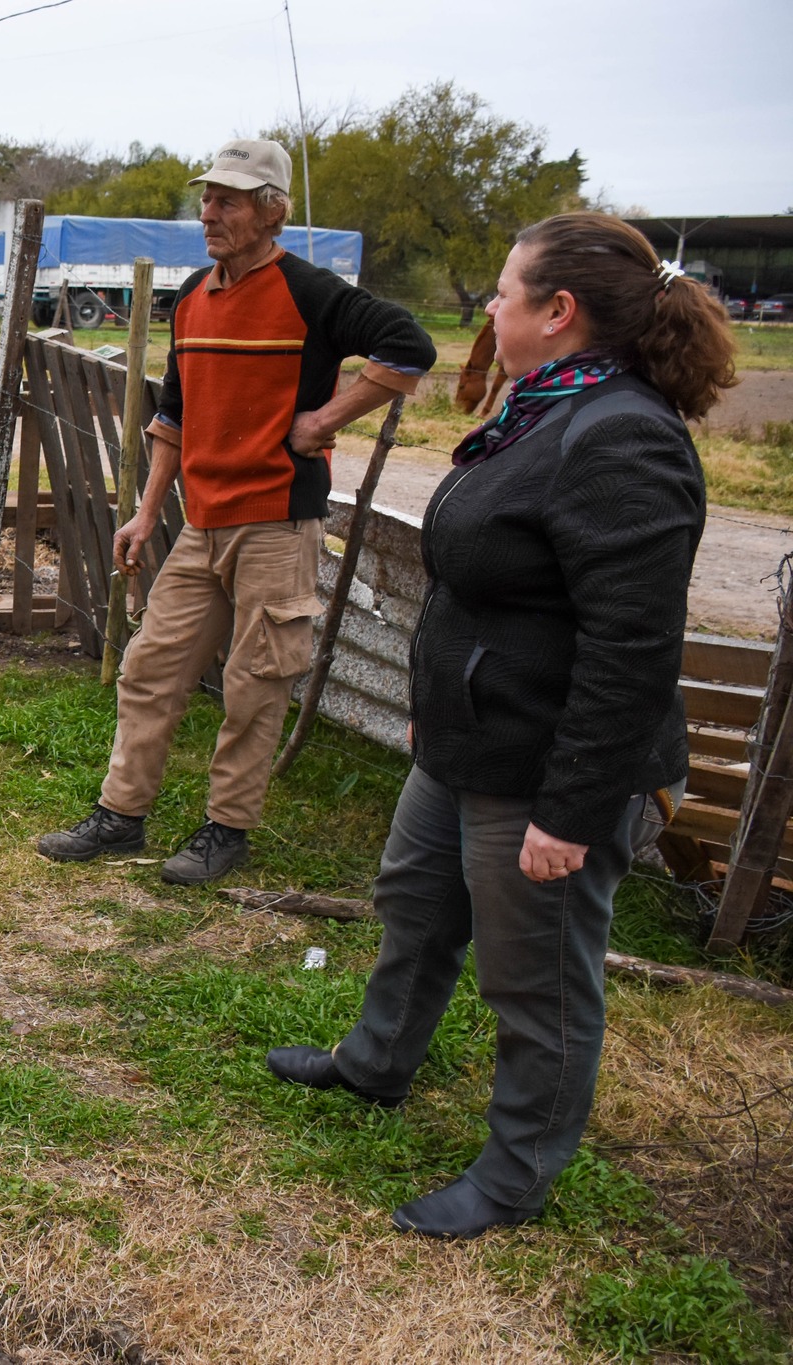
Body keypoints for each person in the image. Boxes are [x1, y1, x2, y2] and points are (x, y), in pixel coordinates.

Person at [266, 212, 734, 1238]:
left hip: (547, 770)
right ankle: (375, 1062)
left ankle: (515, 1174)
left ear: (557, 311)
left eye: (503, 289)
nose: (488, 305)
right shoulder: (544, 410)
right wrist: (435, 715)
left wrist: (570, 811)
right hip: (470, 742)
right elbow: (484, 594)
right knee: (415, 905)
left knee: (537, 979)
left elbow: (631, 650)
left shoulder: (621, 437)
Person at [36, 139, 436, 885]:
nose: (209, 213)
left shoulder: (310, 292)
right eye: (207, 199)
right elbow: (173, 416)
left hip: (278, 522)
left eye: (228, 201)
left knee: (255, 683)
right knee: (150, 667)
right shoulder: (194, 295)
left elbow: (409, 348)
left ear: (272, 212)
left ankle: (227, 829)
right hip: (202, 522)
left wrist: (325, 420)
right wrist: (146, 513)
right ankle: (121, 815)